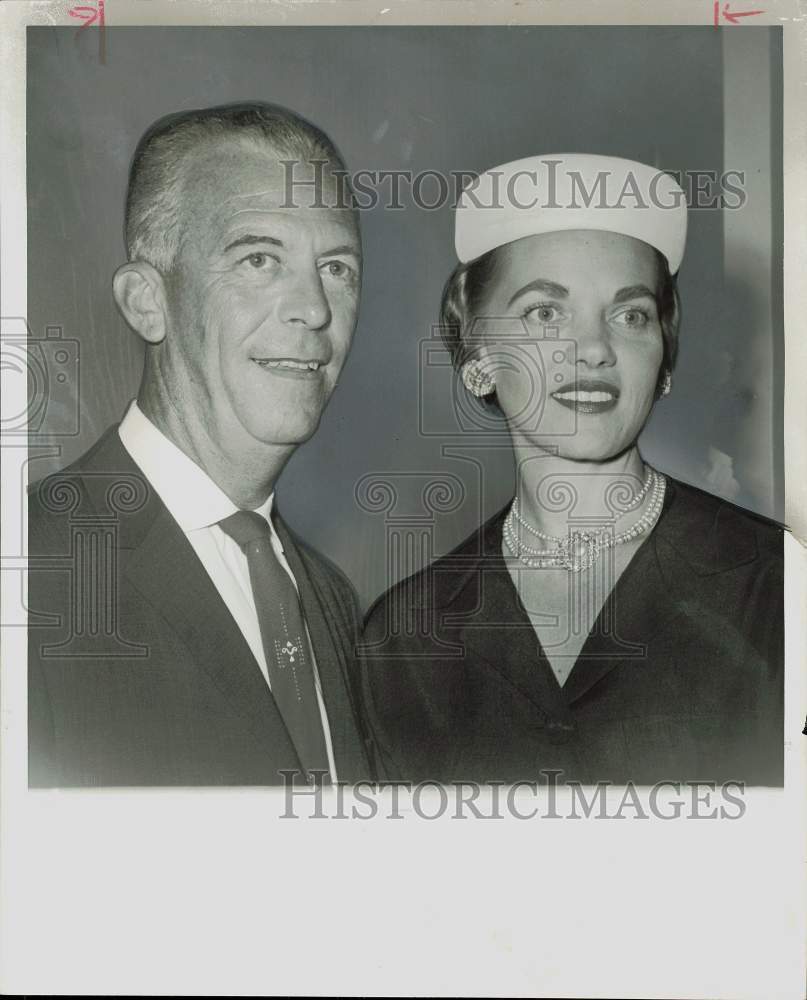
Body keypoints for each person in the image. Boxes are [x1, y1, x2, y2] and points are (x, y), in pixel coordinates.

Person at [361, 154, 784, 786]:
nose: (592, 347)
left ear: (663, 363)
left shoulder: (774, 585)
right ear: (477, 353)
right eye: (544, 312)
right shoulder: (404, 636)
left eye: (630, 314)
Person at [28, 102, 374, 786]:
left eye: (336, 267)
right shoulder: (33, 569)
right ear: (146, 301)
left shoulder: (330, 600)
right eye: (258, 258)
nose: (314, 309)